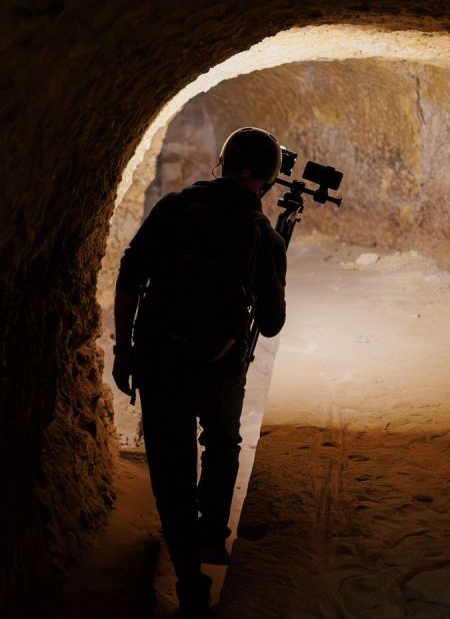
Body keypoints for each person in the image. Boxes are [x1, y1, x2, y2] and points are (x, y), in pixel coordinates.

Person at [112, 127, 288, 616]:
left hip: (158, 357)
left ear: (223, 162)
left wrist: (123, 349)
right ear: (271, 175)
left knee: (170, 466)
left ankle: (188, 577)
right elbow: (271, 325)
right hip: (220, 365)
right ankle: (213, 532)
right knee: (222, 441)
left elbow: (130, 275)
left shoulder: (174, 209)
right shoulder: (262, 236)